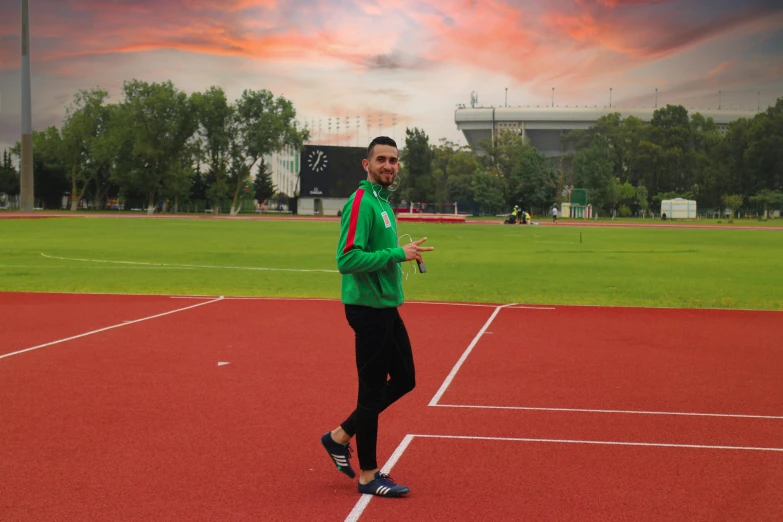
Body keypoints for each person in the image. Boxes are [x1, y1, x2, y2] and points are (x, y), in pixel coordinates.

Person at [321, 136, 434, 498]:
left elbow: (382, 250)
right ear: (366, 165)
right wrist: (396, 253)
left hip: (385, 305)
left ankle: (339, 436)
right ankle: (369, 476)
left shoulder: (383, 202)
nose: (389, 165)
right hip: (368, 310)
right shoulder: (361, 202)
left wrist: (402, 253)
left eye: (394, 160)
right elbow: (346, 259)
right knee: (371, 393)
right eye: (381, 159)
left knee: (405, 378)